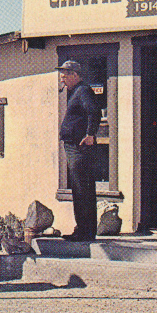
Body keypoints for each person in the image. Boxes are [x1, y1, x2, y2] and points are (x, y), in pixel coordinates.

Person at [57, 60, 101, 242]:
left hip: (79, 147)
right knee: (79, 188)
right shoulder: (75, 91)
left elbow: (94, 112)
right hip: (73, 145)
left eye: (65, 76)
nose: (62, 80)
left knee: (82, 188)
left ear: (75, 75)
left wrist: (90, 134)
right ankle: (83, 229)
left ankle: (85, 231)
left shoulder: (82, 90)